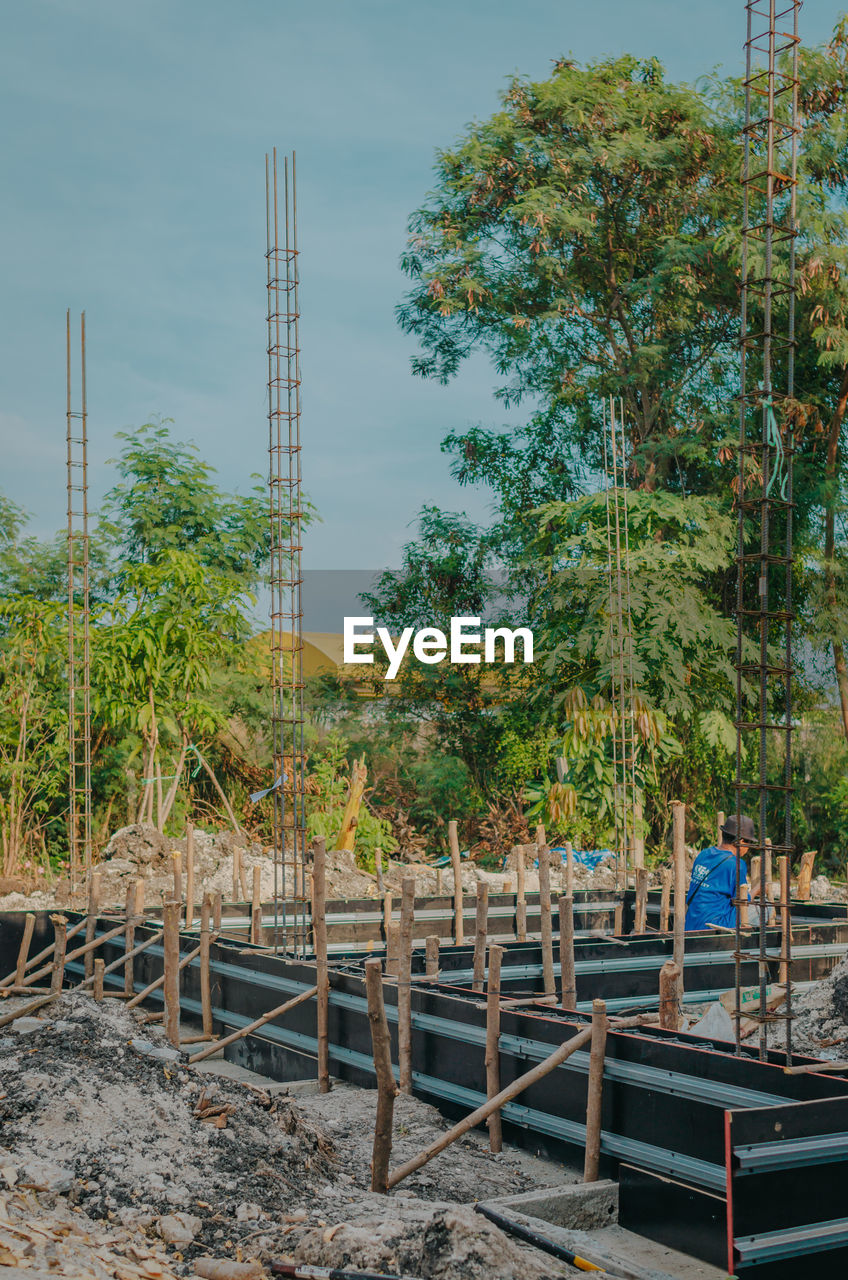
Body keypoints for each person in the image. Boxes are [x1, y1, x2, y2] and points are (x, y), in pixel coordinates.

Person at [685, 814, 755, 931]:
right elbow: (743, 902)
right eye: (749, 844)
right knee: (767, 909)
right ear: (741, 842)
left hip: (691, 924)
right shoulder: (736, 864)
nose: (748, 848)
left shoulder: (704, 854)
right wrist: (757, 889)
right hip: (716, 926)